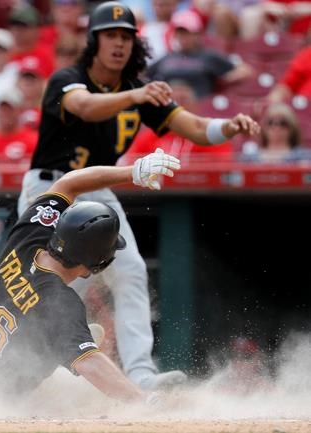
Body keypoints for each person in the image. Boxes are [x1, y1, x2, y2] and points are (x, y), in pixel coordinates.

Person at [17, 1, 260, 391]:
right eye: (110, 35)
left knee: (130, 271)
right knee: (48, 283)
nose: (118, 44)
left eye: (126, 37)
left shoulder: (137, 90)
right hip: (52, 188)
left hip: (97, 189)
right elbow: (85, 106)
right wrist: (137, 95)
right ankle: (18, 365)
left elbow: (194, 127)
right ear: (94, 42)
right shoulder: (69, 77)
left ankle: (141, 377)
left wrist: (228, 126)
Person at [0, 148, 181, 400]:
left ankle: (64, 346)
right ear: (94, 264)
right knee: (75, 345)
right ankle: (67, 346)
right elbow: (90, 364)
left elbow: (67, 182)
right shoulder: (60, 303)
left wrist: (132, 172)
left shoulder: (31, 231)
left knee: (58, 336)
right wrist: (142, 400)